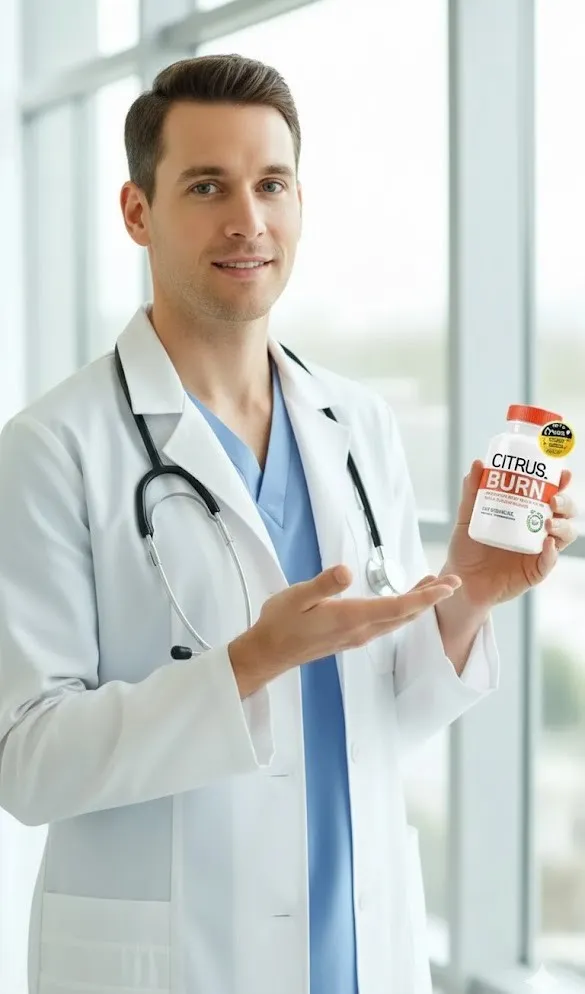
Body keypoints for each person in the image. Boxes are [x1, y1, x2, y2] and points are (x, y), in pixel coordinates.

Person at [0, 54, 577, 994]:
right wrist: (248, 663)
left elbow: (380, 713)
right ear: (137, 212)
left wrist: (466, 595)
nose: (248, 220)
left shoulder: (357, 426)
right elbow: (24, 762)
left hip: (356, 955)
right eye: (206, 186)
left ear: (300, 201)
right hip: (177, 964)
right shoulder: (53, 447)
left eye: (271, 183)